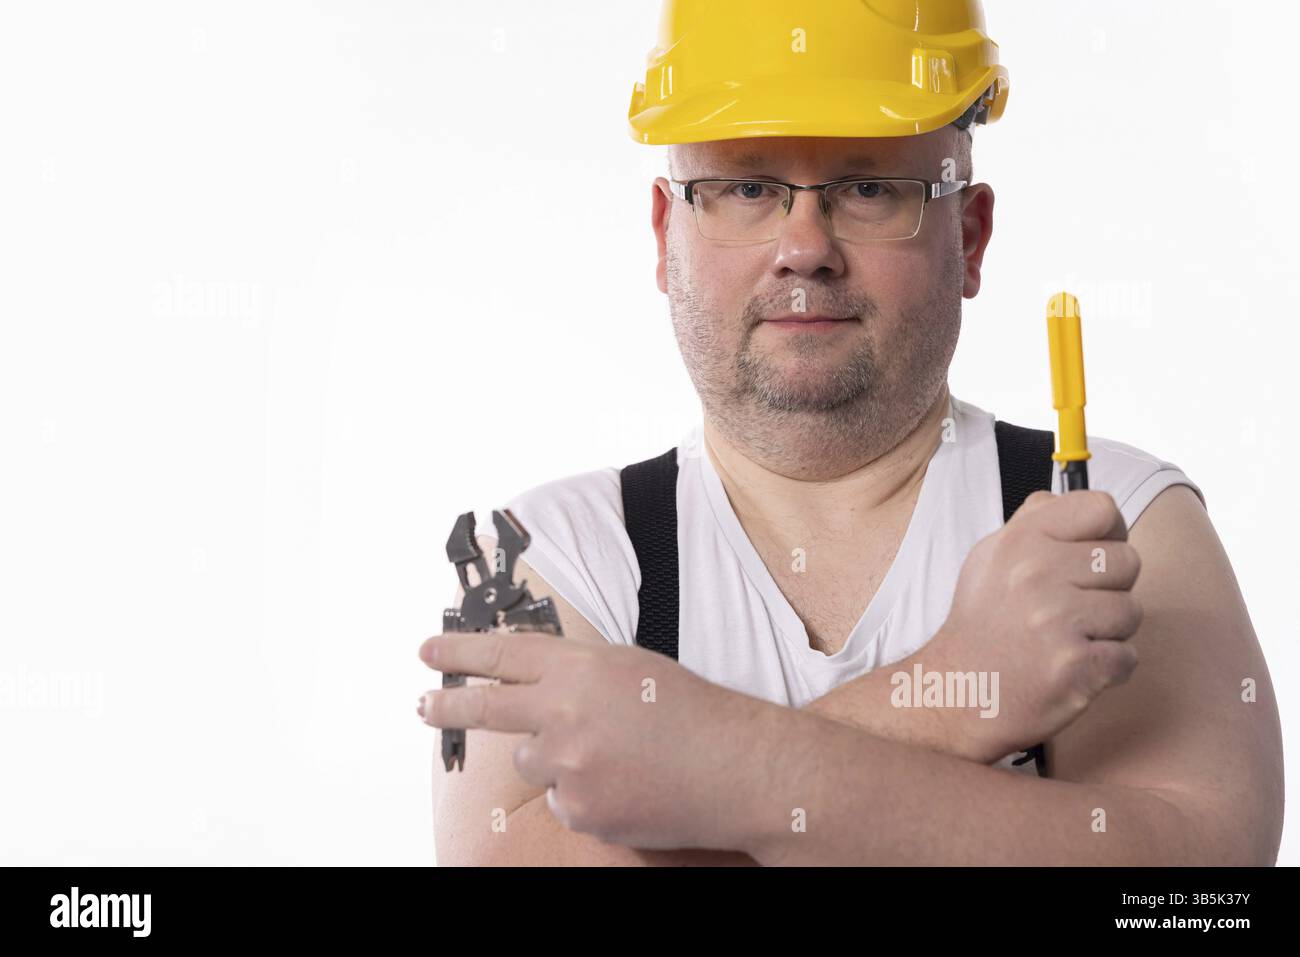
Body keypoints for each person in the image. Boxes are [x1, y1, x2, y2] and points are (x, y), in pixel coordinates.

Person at [420, 0, 1283, 865]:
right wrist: (952, 693)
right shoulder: (536, 559)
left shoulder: (1117, 523)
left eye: (871, 188)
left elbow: (1194, 896)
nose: (805, 246)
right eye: (748, 187)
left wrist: (700, 770)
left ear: (970, 235)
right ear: (665, 234)